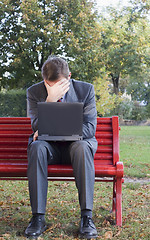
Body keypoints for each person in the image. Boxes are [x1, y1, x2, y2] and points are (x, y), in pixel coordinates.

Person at [25, 56, 98, 239]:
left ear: (69, 77)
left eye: (61, 84)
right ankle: (38, 218)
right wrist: (50, 101)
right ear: (44, 80)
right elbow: (36, 127)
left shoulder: (85, 90)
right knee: (37, 147)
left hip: (76, 147)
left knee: (82, 147)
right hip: (50, 149)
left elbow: (89, 128)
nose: (56, 88)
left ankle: (86, 217)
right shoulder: (34, 92)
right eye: (50, 84)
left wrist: (51, 128)